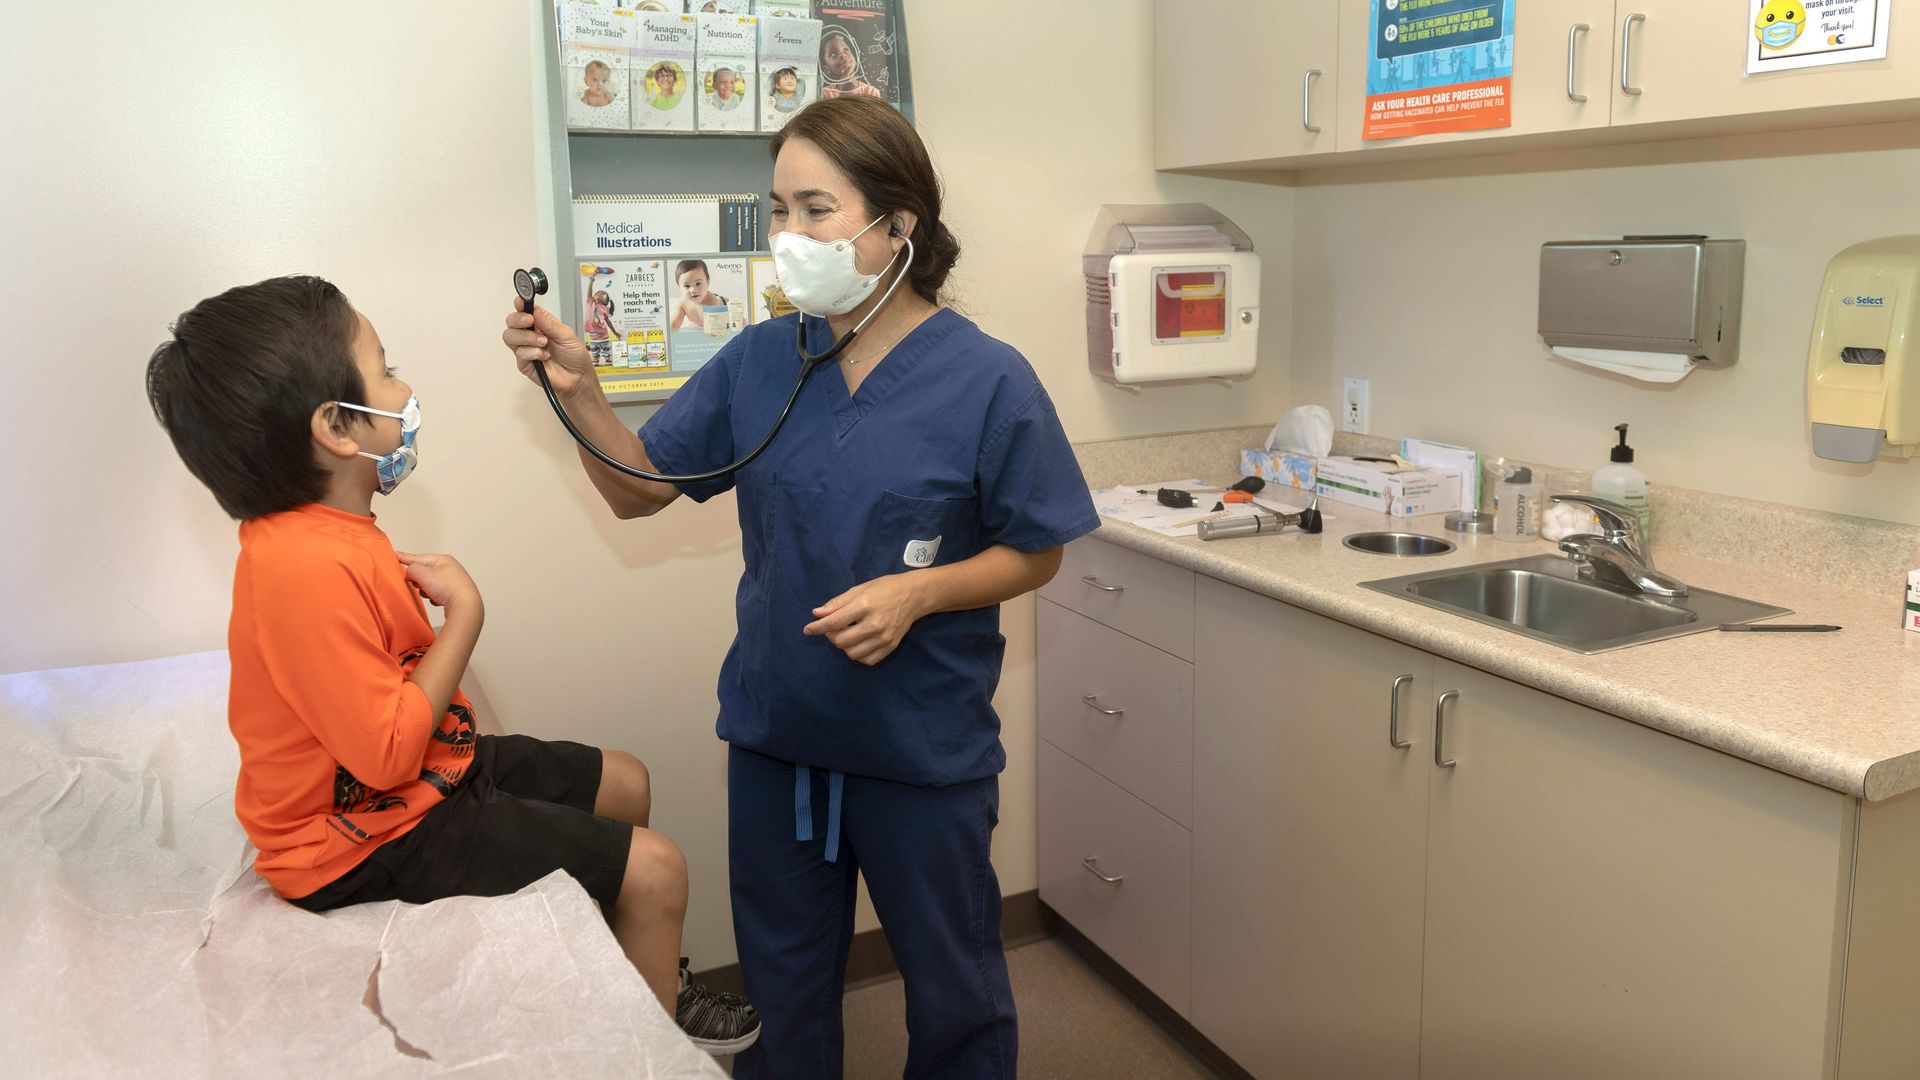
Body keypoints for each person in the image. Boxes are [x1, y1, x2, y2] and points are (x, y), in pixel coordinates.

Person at [501, 96, 1099, 1078]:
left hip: (921, 754)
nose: (788, 236)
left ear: (897, 225)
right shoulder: (761, 361)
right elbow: (636, 493)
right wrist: (577, 390)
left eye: (815, 210)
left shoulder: (988, 379)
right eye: (778, 209)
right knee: (786, 1000)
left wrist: (923, 593)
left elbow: (1039, 551)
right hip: (782, 742)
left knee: (956, 999)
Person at [145, 275, 760, 1057]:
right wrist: (463, 619)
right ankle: (645, 1046)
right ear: (336, 426)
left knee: (627, 780)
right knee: (659, 870)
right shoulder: (298, 566)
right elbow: (386, 749)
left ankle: (634, 974)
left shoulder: (335, 527)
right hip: (353, 840)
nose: (405, 389)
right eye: (386, 369)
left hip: (411, 784)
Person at [819, 29, 882, 99]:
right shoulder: (824, 94)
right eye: (834, 54)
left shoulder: (871, 92)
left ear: (855, 58)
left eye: (846, 50)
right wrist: (845, 94)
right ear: (826, 68)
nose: (843, 55)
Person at [669, 259, 727, 330]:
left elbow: (715, 329)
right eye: (687, 286)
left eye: (698, 283)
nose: (693, 290)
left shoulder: (713, 302)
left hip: (722, 303)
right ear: (679, 286)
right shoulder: (682, 303)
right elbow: (673, 326)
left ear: (708, 281)